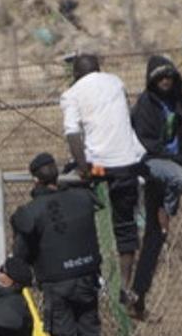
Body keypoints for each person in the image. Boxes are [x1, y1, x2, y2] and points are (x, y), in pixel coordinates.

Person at [11, 153, 122, 336]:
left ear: (35, 178)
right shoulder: (81, 199)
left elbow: (21, 256)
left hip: (57, 287)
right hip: (87, 282)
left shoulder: (30, 213)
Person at [59, 54, 148, 315]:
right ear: (99, 69)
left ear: (75, 74)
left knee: (67, 178)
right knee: (125, 226)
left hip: (99, 168)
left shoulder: (72, 94)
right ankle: (126, 287)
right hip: (126, 166)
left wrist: (83, 167)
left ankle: (85, 266)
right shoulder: (116, 82)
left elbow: (72, 133)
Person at [129, 55, 182, 320]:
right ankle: (165, 210)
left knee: (155, 239)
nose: (165, 81)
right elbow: (150, 146)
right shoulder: (145, 106)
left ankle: (139, 294)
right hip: (151, 164)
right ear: (151, 81)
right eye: (159, 77)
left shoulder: (177, 100)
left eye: (169, 76)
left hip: (173, 163)